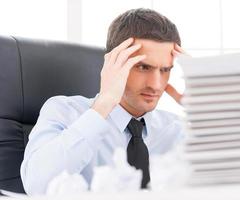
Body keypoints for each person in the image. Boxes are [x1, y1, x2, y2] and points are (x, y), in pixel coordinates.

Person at [21, 8, 185, 195]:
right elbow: (37, 186)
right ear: (113, 64)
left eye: (165, 70)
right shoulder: (64, 112)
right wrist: (104, 103)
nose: (156, 85)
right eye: (143, 67)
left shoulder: (177, 129)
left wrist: (207, 107)